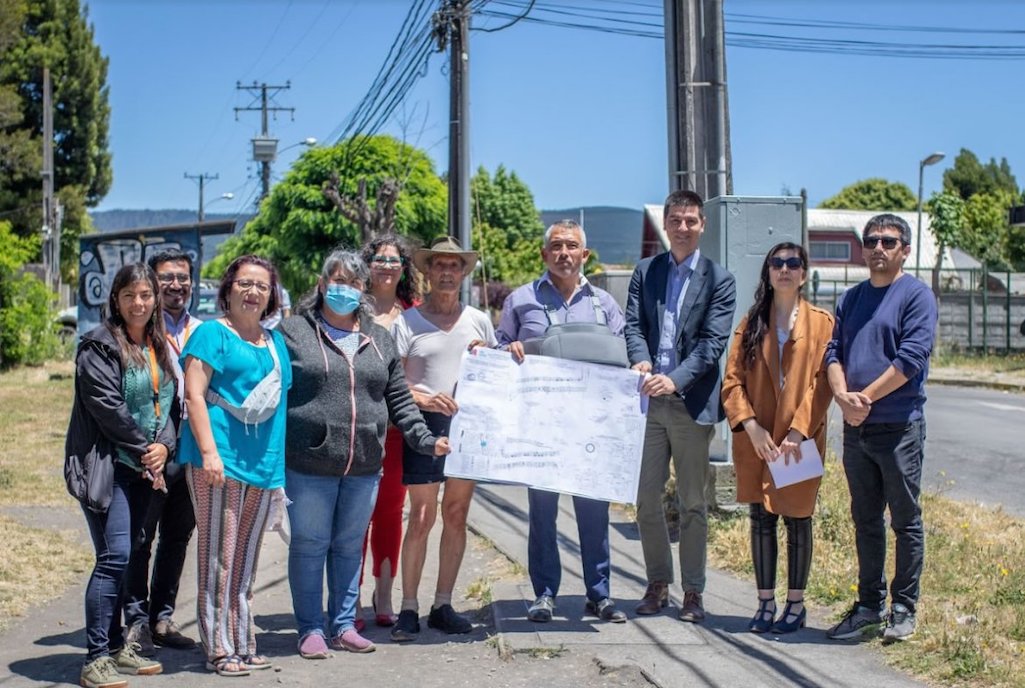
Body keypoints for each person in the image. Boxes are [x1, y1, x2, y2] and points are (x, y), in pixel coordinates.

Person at [280, 248, 449, 659]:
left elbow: (399, 400)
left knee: (349, 543)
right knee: (309, 544)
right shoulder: (293, 332)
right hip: (309, 463)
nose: (344, 289)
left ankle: (342, 625)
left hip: (365, 464)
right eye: (337, 281)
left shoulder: (381, 338)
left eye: (353, 283)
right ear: (322, 286)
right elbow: (275, 394)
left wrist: (425, 440)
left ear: (364, 291)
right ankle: (309, 629)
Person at [496, 220, 628, 624]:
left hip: (592, 430)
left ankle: (599, 594)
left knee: (594, 513)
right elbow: (499, 350)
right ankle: (544, 594)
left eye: (572, 246)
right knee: (542, 512)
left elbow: (624, 357)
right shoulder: (520, 300)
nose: (564, 253)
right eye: (556, 246)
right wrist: (509, 349)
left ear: (585, 255)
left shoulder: (605, 304)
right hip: (542, 429)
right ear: (544, 254)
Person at [624, 189, 736, 623]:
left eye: (691, 220)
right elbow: (634, 324)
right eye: (676, 220)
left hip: (690, 403)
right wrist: (640, 358)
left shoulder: (719, 279)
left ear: (702, 225)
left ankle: (693, 591)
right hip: (648, 403)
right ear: (665, 225)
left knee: (692, 503)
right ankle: (657, 584)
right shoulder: (645, 271)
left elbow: (712, 345)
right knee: (645, 498)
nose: (684, 228)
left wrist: (676, 377)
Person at [824, 214, 937, 643]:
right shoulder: (851, 299)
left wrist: (863, 399)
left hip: (898, 427)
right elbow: (832, 352)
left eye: (888, 241)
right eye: (871, 240)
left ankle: (904, 608)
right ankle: (868, 607)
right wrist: (841, 397)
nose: (878, 248)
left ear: (905, 249)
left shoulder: (917, 296)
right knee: (865, 519)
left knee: (905, 521)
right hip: (857, 431)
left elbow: (911, 360)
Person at [178, 255, 292, 676]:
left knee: (246, 558)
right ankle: (218, 647)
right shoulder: (211, 334)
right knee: (218, 556)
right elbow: (194, 395)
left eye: (262, 286)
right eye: (245, 283)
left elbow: (277, 408)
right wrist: (209, 453)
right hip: (219, 461)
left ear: (271, 296)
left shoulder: (275, 343)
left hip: (263, 466)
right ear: (228, 289)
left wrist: (277, 472)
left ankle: (243, 640)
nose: (253, 292)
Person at [65, 263, 177, 687]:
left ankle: (114, 648)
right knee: (113, 558)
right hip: (106, 468)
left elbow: (171, 403)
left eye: (146, 294)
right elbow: (106, 407)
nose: (139, 303)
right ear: (115, 299)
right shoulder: (97, 345)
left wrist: (164, 444)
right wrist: (148, 451)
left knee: (126, 557)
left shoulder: (157, 344)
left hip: (142, 469)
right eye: (129, 295)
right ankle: (95, 658)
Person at [721, 243, 834, 634]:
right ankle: (765, 602)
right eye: (777, 263)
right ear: (768, 273)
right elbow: (732, 382)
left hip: (800, 438)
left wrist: (800, 431)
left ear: (803, 274)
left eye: (793, 263)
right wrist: (750, 426)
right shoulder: (751, 322)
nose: (784, 269)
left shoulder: (823, 323)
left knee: (798, 518)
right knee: (761, 518)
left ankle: (796, 605)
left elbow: (824, 384)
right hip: (759, 438)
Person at [389, 236, 496, 642]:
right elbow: (392, 382)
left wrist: (491, 352)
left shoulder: (480, 320)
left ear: (463, 272)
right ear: (428, 272)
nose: (447, 272)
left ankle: (443, 604)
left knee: (456, 515)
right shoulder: (408, 323)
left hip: (468, 428)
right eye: (440, 266)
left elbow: (497, 374)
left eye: (455, 266)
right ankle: (408, 608)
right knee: (420, 517)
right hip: (422, 426)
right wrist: (423, 397)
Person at [123, 250, 199, 656]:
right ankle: (135, 622)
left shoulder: (203, 330)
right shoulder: (139, 334)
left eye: (183, 277)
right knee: (140, 537)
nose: (176, 285)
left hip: (190, 449)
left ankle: (162, 617)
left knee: (178, 534)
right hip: (149, 448)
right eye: (166, 278)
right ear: (151, 285)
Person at [357, 234, 422, 628]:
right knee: (354, 514)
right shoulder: (349, 308)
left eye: (393, 260)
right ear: (367, 266)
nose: (385, 265)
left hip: (397, 429)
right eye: (378, 259)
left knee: (389, 511)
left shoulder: (414, 313)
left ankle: (383, 594)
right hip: (357, 427)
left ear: (404, 268)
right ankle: (351, 598)